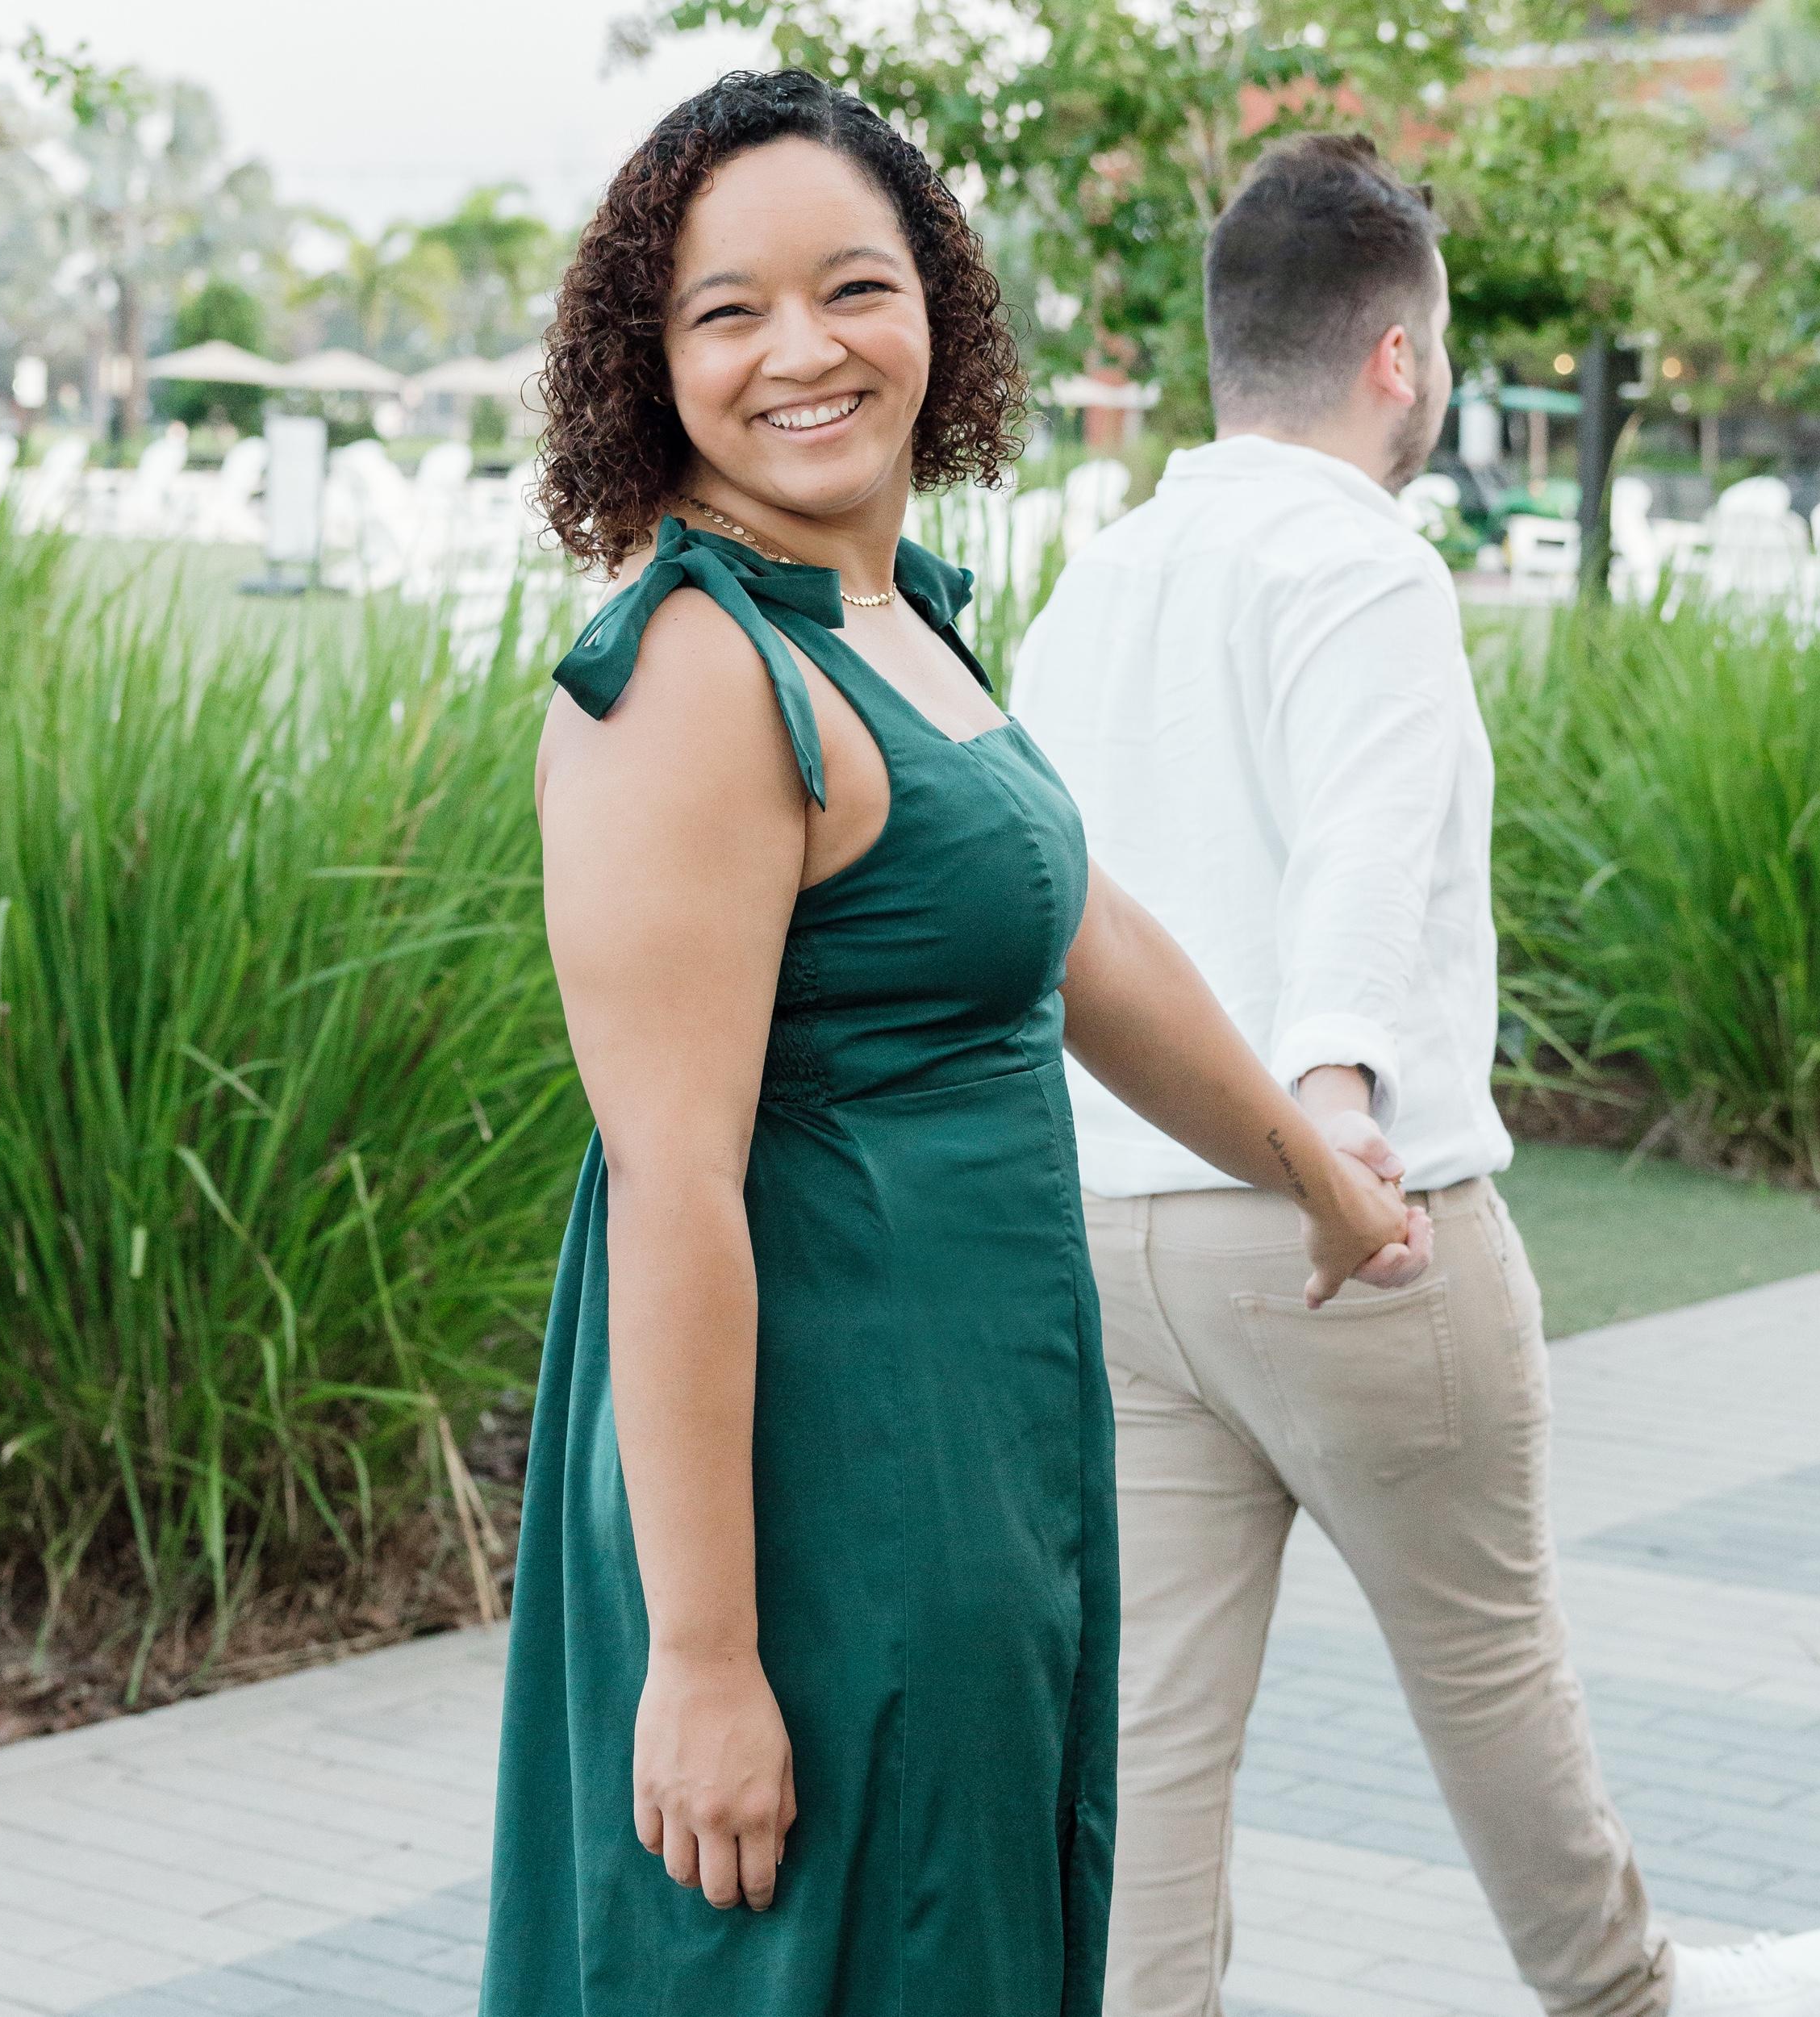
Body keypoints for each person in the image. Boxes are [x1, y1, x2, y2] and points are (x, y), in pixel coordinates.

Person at [478, 73, 1426, 2017]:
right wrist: (703, 1657)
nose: (800, 350)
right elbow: (670, 1184)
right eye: (726, 311)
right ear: (648, 361)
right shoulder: (690, 674)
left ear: (936, 306)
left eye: (852, 286)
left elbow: (1082, 938)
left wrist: (1310, 1172)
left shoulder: (885, 615)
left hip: (976, 1450)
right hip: (818, 1491)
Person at [1012, 132, 1820, 2017]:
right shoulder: (1362, 561)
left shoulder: (1096, 580)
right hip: (1343, 1229)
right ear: (1397, 356)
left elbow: (1046, 891)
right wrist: (1333, 1112)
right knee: (1487, 1669)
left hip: (1117, 1238)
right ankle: (1622, 1993)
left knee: (1148, 1738)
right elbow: (1362, 856)